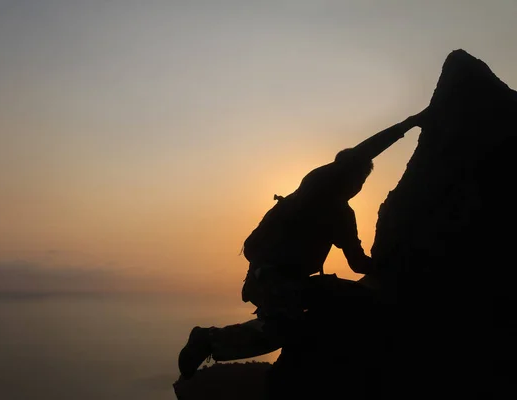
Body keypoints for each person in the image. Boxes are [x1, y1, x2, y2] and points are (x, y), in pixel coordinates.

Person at [177, 108, 430, 379]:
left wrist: (393, 262)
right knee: (281, 331)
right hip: (273, 281)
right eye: (359, 177)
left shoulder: (339, 212)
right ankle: (208, 339)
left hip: (284, 281)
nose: (359, 185)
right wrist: (408, 124)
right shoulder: (317, 189)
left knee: (348, 304)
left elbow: (357, 264)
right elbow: (362, 153)